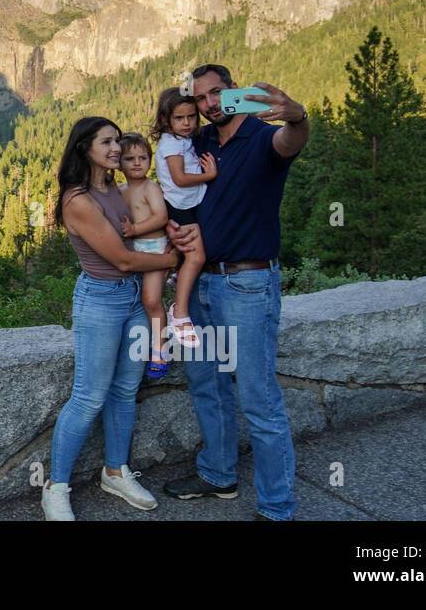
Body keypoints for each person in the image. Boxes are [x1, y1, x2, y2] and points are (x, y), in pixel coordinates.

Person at [160, 65, 309, 521]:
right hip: (200, 282)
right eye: (201, 98)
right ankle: (218, 475)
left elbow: (293, 140)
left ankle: (277, 507)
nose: (209, 104)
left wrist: (297, 115)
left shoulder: (264, 139)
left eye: (218, 93)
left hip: (247, 284)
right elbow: (175, 189)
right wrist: (168, 222)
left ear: (235, 91)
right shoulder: (199, 142)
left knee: (258, 398)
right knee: (206, 383)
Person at [42, 117, 180, 521]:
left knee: (125, 389)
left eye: (119, 141)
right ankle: (56, 487)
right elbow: (120, 258)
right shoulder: (78, 199)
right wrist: (171, 259)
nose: (117, 148)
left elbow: (141, 230)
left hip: (135, 299)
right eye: (107, 142)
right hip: (100, 301)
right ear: (85, 147)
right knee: (88, 397)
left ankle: (116, 471)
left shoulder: (118, 189)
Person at [150, 87, 215, 350]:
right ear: (166, 120)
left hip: (188, 204)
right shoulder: (170, 144)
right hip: (180, 207)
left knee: (192, 255)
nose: (187, 123)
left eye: (191, 117)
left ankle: (178, 278)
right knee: (196, 256)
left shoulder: (182, 139)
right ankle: (180, 314)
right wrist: (209, 176)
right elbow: (180, 178)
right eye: (179, 118)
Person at [116, 133, 174, 379]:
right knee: (134, 302)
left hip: (153, 249)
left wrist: (135, 230)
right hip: (132, 251)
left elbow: (161, 217)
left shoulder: (150, 188)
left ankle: (160, 350)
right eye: (130, 158)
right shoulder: (120, 190)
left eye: (143, 157)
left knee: (151, 300)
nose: (137, 163)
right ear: (119, 163)